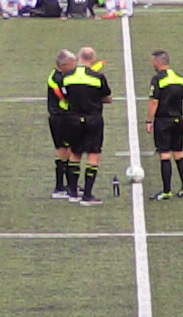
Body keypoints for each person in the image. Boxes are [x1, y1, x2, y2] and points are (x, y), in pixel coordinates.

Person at [59, 47, 112, 206]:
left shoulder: (67, 77)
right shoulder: (98, 77)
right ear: (93, 59)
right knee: (93, 154)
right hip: (93, 119)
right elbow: (107, 98)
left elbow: (65, 96)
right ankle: (87, 195)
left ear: (78, 57)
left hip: (73, 119)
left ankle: (73, 192)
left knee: (75, 154)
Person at [143, 50, 183, 200]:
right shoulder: (180, 79)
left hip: (163, 121)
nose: (152, 64)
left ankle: (166, 191)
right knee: (179, 153)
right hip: (177, 120)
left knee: (164, 155)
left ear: (158, 62)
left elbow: (154, 102)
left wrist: (149, 121)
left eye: (153, 61)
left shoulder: (157, 79)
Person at [47, 51, 78, 199]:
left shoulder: (61, 76)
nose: (75, 66)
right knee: (63, 151)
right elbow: (65, 97)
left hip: (64, 117)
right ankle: (60, 187)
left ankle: (70, 185)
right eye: (72, 64)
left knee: (69, 150)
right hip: (60, 118)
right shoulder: (57, 79)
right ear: (63, 65)